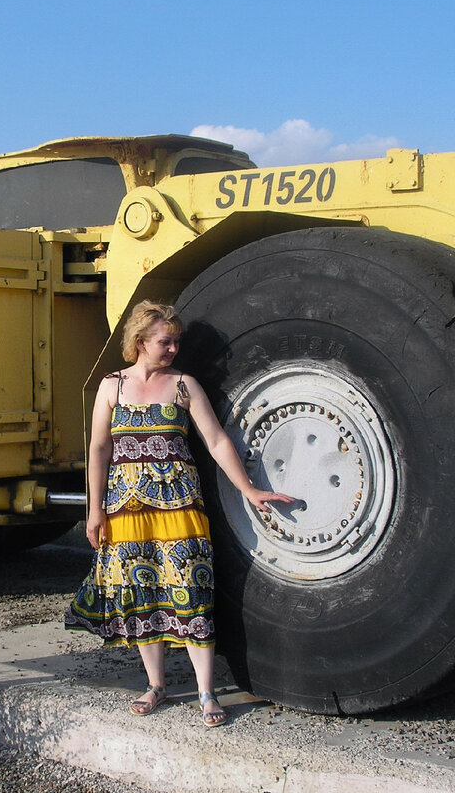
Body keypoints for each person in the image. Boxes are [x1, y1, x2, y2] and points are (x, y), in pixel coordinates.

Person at [65, 300, 292, 727]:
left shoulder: (184, 385)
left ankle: (207, 693)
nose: (173, 349)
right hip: (126, 510)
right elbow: (98, 448)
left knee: (191, 589)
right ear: (139, 342)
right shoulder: (110, 386)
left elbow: (216, 440)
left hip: (180, 508)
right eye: (164, 342)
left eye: (176, 342)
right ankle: (156, 685)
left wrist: (248, 488)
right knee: (143, 592)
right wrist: (94, 510)